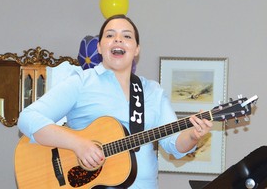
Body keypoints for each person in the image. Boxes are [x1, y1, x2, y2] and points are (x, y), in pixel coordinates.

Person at [18, 14, 213, 188]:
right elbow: (28, 117)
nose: (118, 39)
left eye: (127, 36)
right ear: (100, 47)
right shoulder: (81, 82)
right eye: (110, 35)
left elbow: (173, 145)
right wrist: (79, 145)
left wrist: (193, 136)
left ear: (136, 49)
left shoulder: (153, 91)